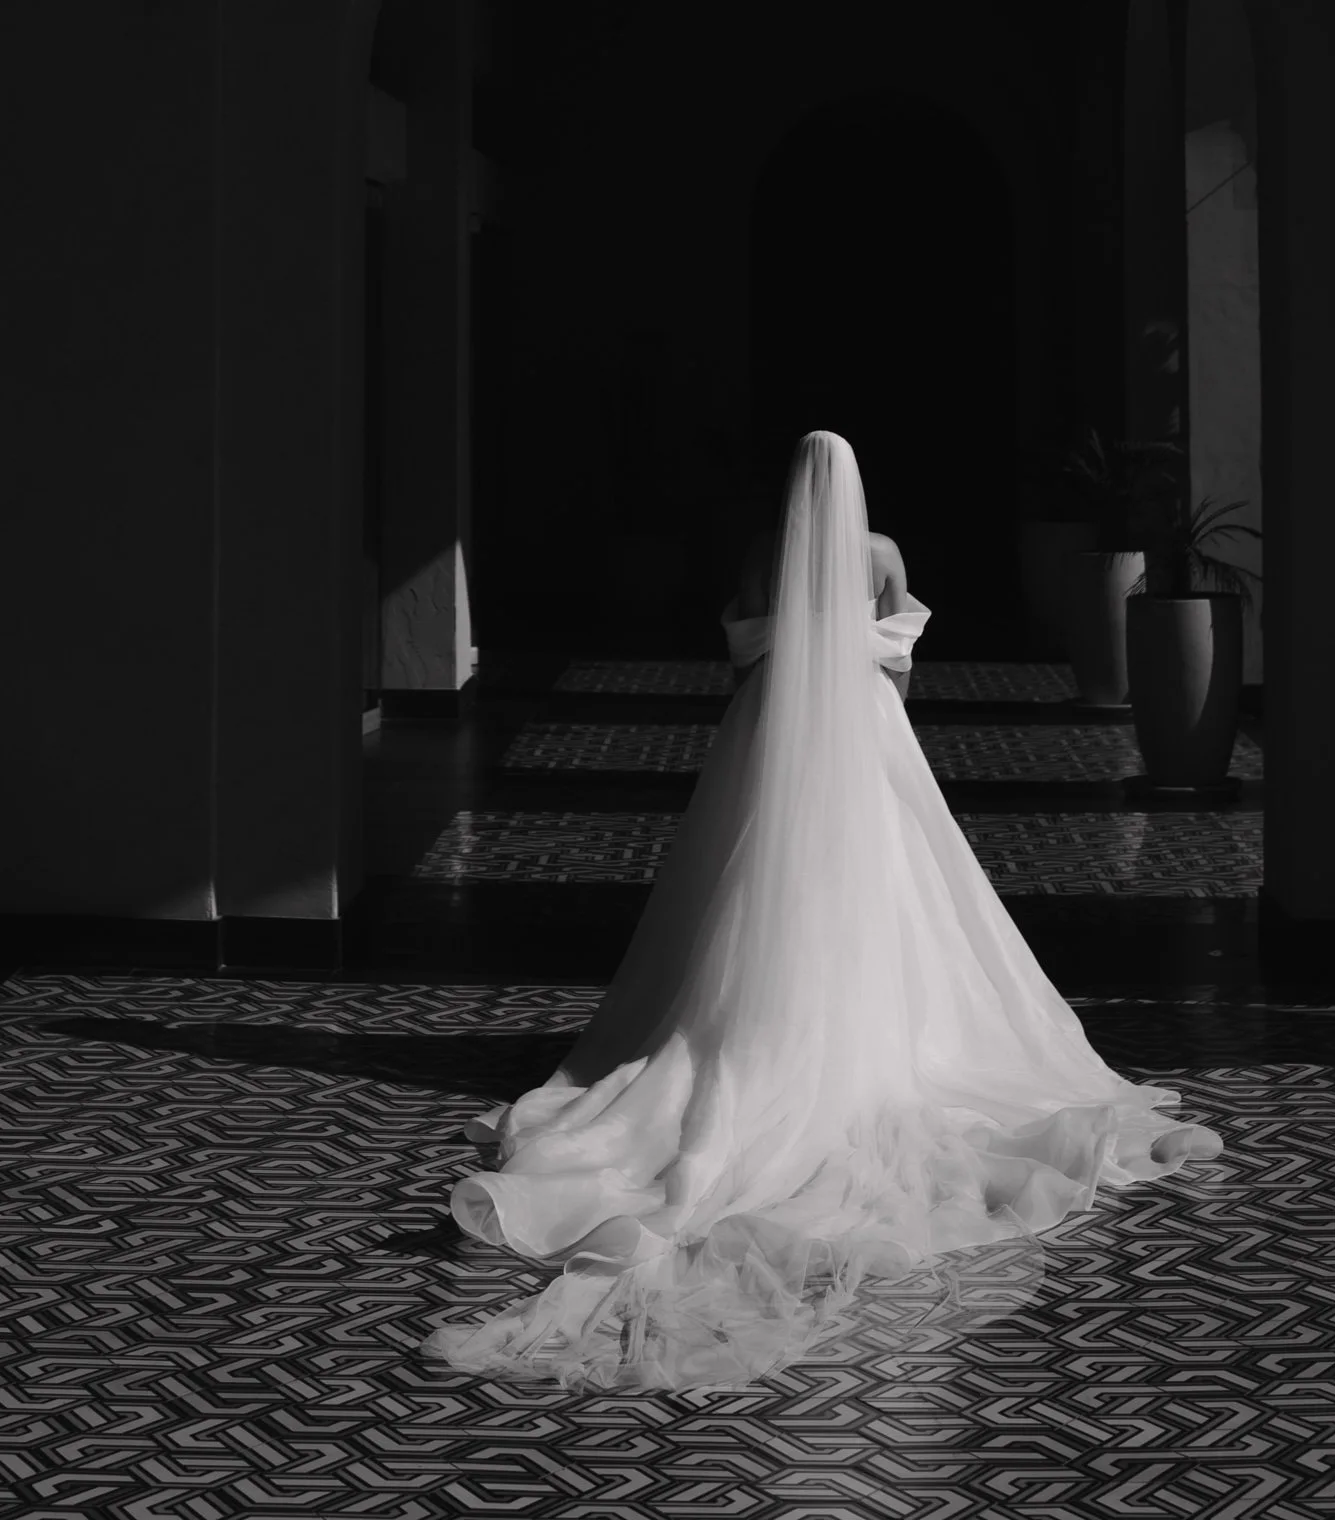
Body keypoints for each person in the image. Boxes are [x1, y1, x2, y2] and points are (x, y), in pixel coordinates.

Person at [428, 426, 1220, 1396]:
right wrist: (870, 700)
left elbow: (742, 646)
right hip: (864, 731)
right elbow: (896, 654)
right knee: (895, 885)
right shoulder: (881, 552)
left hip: (765, 731)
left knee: (748, 885)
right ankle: (857, 1020)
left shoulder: (765, 552)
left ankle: (758, 1021)